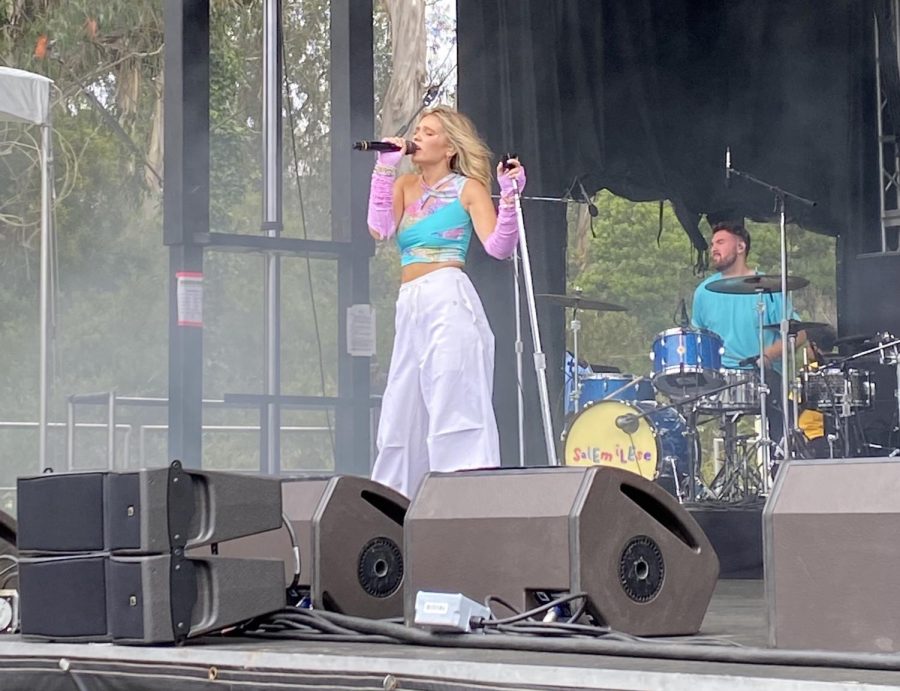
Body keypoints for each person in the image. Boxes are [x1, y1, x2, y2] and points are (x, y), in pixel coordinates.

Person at [366, 106, 525, 498]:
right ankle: (392, 506)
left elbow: (499, 248)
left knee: (453, 401)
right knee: (401, 410)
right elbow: (379, 229)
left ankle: (462, 501)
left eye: (429, 132)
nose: (417, 137)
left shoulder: (467, 188)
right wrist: (383, 170)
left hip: (448, 296)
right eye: (417, 130)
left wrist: (508, 200)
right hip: (411, 304)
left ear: (449, 146)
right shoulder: (405, 185)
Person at [691, 221, 801, 454]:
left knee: (782, 409)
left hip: (761, 374)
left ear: (740, 247)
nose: (713, 249)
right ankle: (689, 479)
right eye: (712, 244)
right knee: (683, 405)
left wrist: (768, 356)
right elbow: (697, 337)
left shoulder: (769, 287)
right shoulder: (703, 292)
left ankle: (779, 467)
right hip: (718, 377)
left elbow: (799, 333)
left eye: (720, 242)